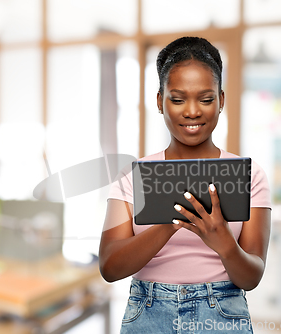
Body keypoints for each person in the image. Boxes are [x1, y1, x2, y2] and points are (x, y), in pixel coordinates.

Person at [99, 36, 272, 333]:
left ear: (221, 101)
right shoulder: (132, 177)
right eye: (177, 99)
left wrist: (225, 245)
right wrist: (172, 220)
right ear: (159, 101)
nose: (192, 111)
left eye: (205, 99)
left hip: (221, 315)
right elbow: (110, 267)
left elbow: (251, 277)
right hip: (148, 314)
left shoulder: (249, 175)